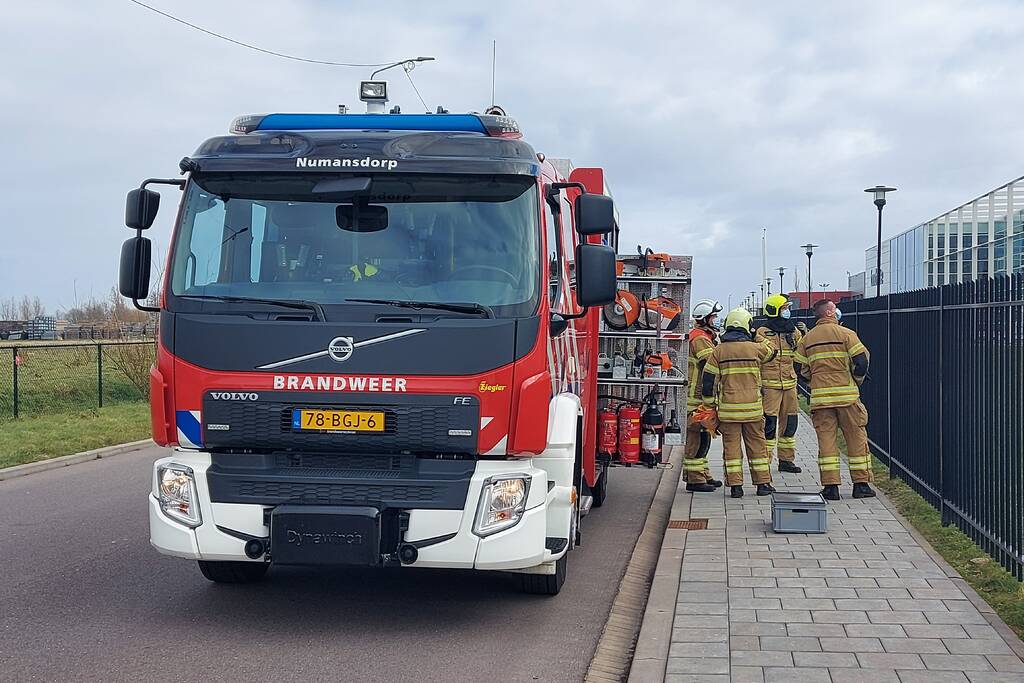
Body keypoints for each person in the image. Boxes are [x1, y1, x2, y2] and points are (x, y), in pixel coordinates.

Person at [795, 299, 874, 500]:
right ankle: (861, 485)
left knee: (827, 442)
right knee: (856, 439)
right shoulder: (847, 334)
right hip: (848, 398)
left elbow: (799, 369)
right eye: (834, 308)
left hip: (821, 399)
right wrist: (856, 380)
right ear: (830, 312)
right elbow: (861, 362)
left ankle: (831, 488)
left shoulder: (807, 339)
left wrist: (814, 381)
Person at [701, 307, 777, 498]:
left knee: (732, 449)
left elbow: (709, 381)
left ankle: (736, 487)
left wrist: (710, 406)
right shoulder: (755, 348)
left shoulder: (718, 351)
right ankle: (762, 485)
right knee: (757, 447)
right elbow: (772, 351)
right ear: (746, 326)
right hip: (753, 411)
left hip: (728, 412)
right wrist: (757, 335)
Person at [755, 294, 803, 474]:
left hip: (790, 384)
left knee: (790, 422)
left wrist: (802, 335)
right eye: (784, 308)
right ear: (775, 310)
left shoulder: (793, 331)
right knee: (769, 423)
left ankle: (786, 460)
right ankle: (764, 461)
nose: (787, 311)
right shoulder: (762, 332)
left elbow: (800, 351)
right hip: (770, 385)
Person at [683, 299, 724, 492]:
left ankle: (703, 474)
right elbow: (712, 362)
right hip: (695, 397)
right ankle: (694, 479)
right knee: (696, 438)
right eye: (713, 317)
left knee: (704, 436)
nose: (716, 320)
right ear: (704, 318)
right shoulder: (699, 338)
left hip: (698, 396)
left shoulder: (704, 336)